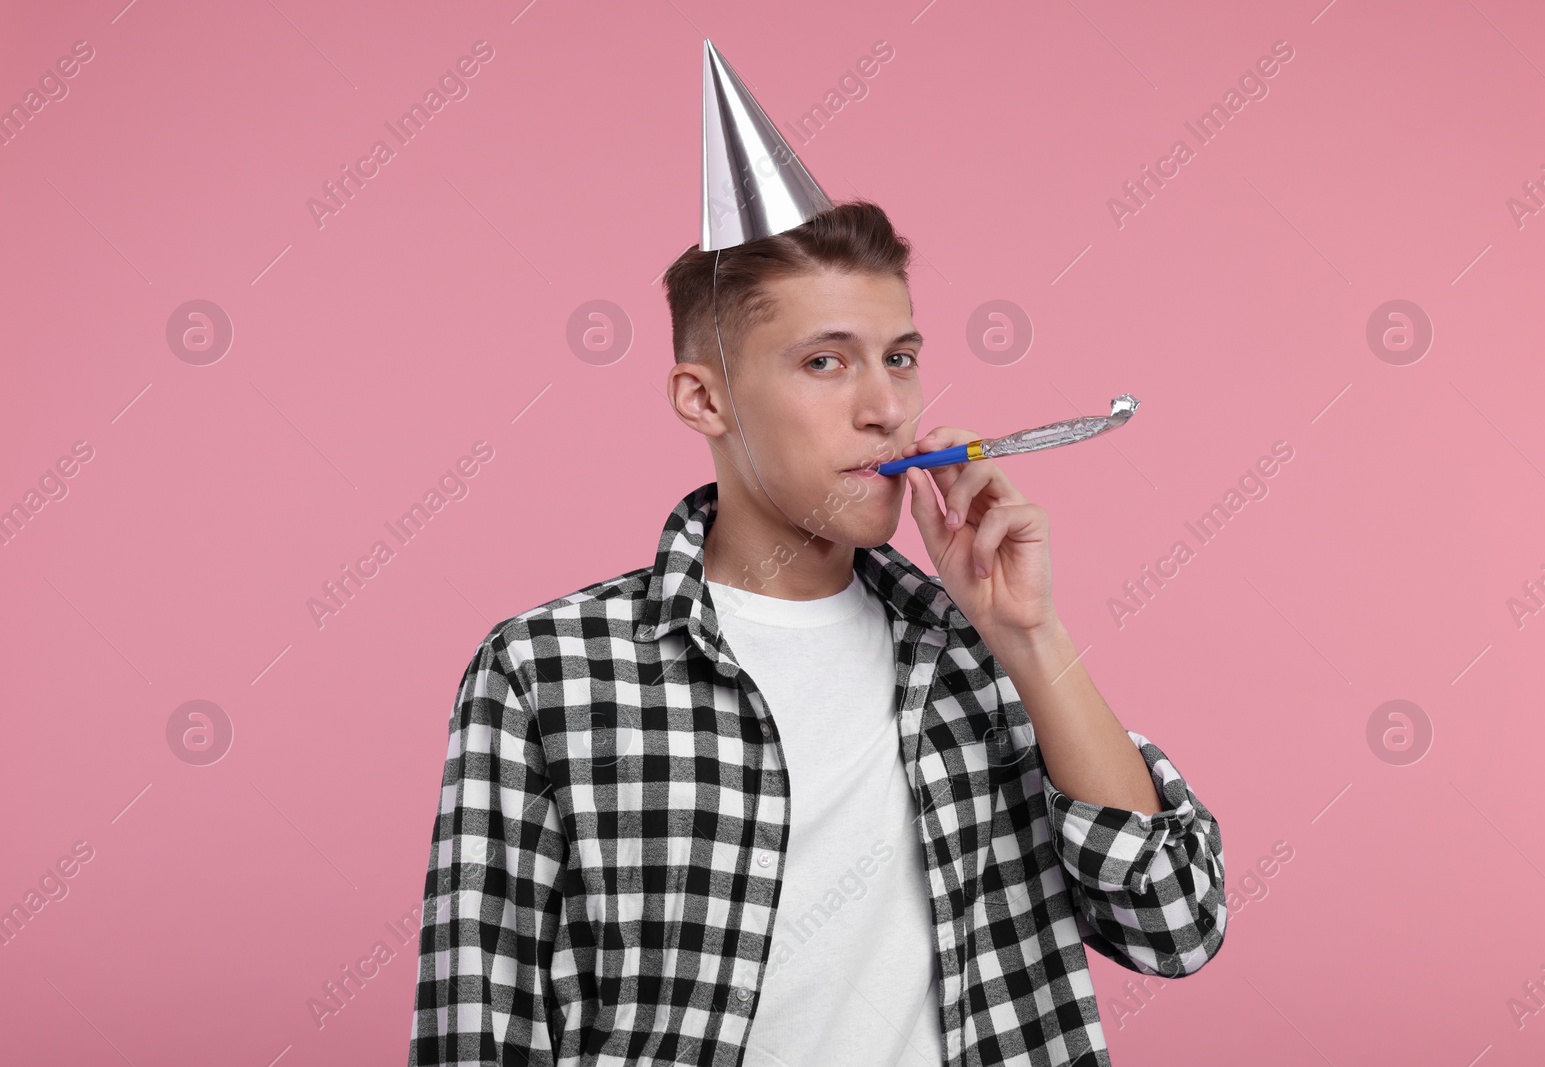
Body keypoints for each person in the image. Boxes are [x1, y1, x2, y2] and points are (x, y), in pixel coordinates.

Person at [409, 41, 1225, 1067]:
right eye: (824, 361)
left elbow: (1175, 918)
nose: (885, 407)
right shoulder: (549, 672)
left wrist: (1031, 637)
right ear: (704, 398)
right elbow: (476, 1024)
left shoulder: (972, 654)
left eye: (901, 358)